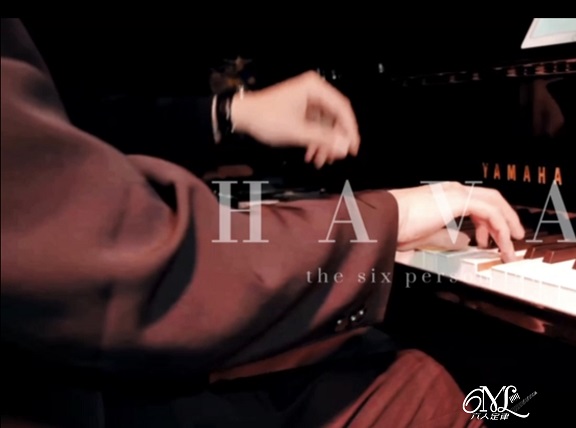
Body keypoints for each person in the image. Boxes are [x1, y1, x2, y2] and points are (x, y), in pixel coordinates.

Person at [1, 18, 525, 428]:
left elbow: (68, 140)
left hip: (62, 363)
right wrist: (389, 213)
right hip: (69, 397)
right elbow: (148, 266)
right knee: (418, 388)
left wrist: (230, 112)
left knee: (362, 352)